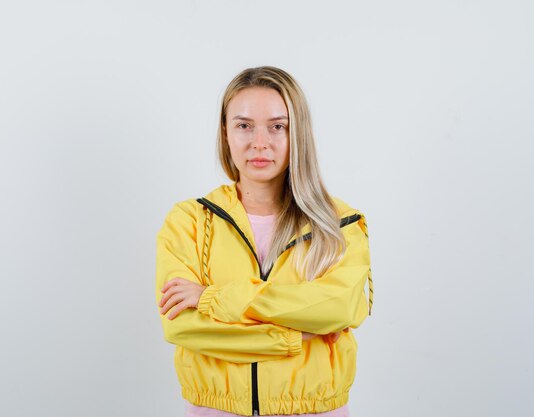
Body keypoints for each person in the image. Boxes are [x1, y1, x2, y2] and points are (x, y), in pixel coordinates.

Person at [155, 66, 373, 417]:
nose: (260, 142)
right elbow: (183, 324)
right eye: (244, 125)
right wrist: (290, 337)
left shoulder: (339, 224)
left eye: (277, 126)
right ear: (225, 133)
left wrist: (212, 299)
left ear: (297, 133)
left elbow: (340, 307)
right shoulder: (189, 221)